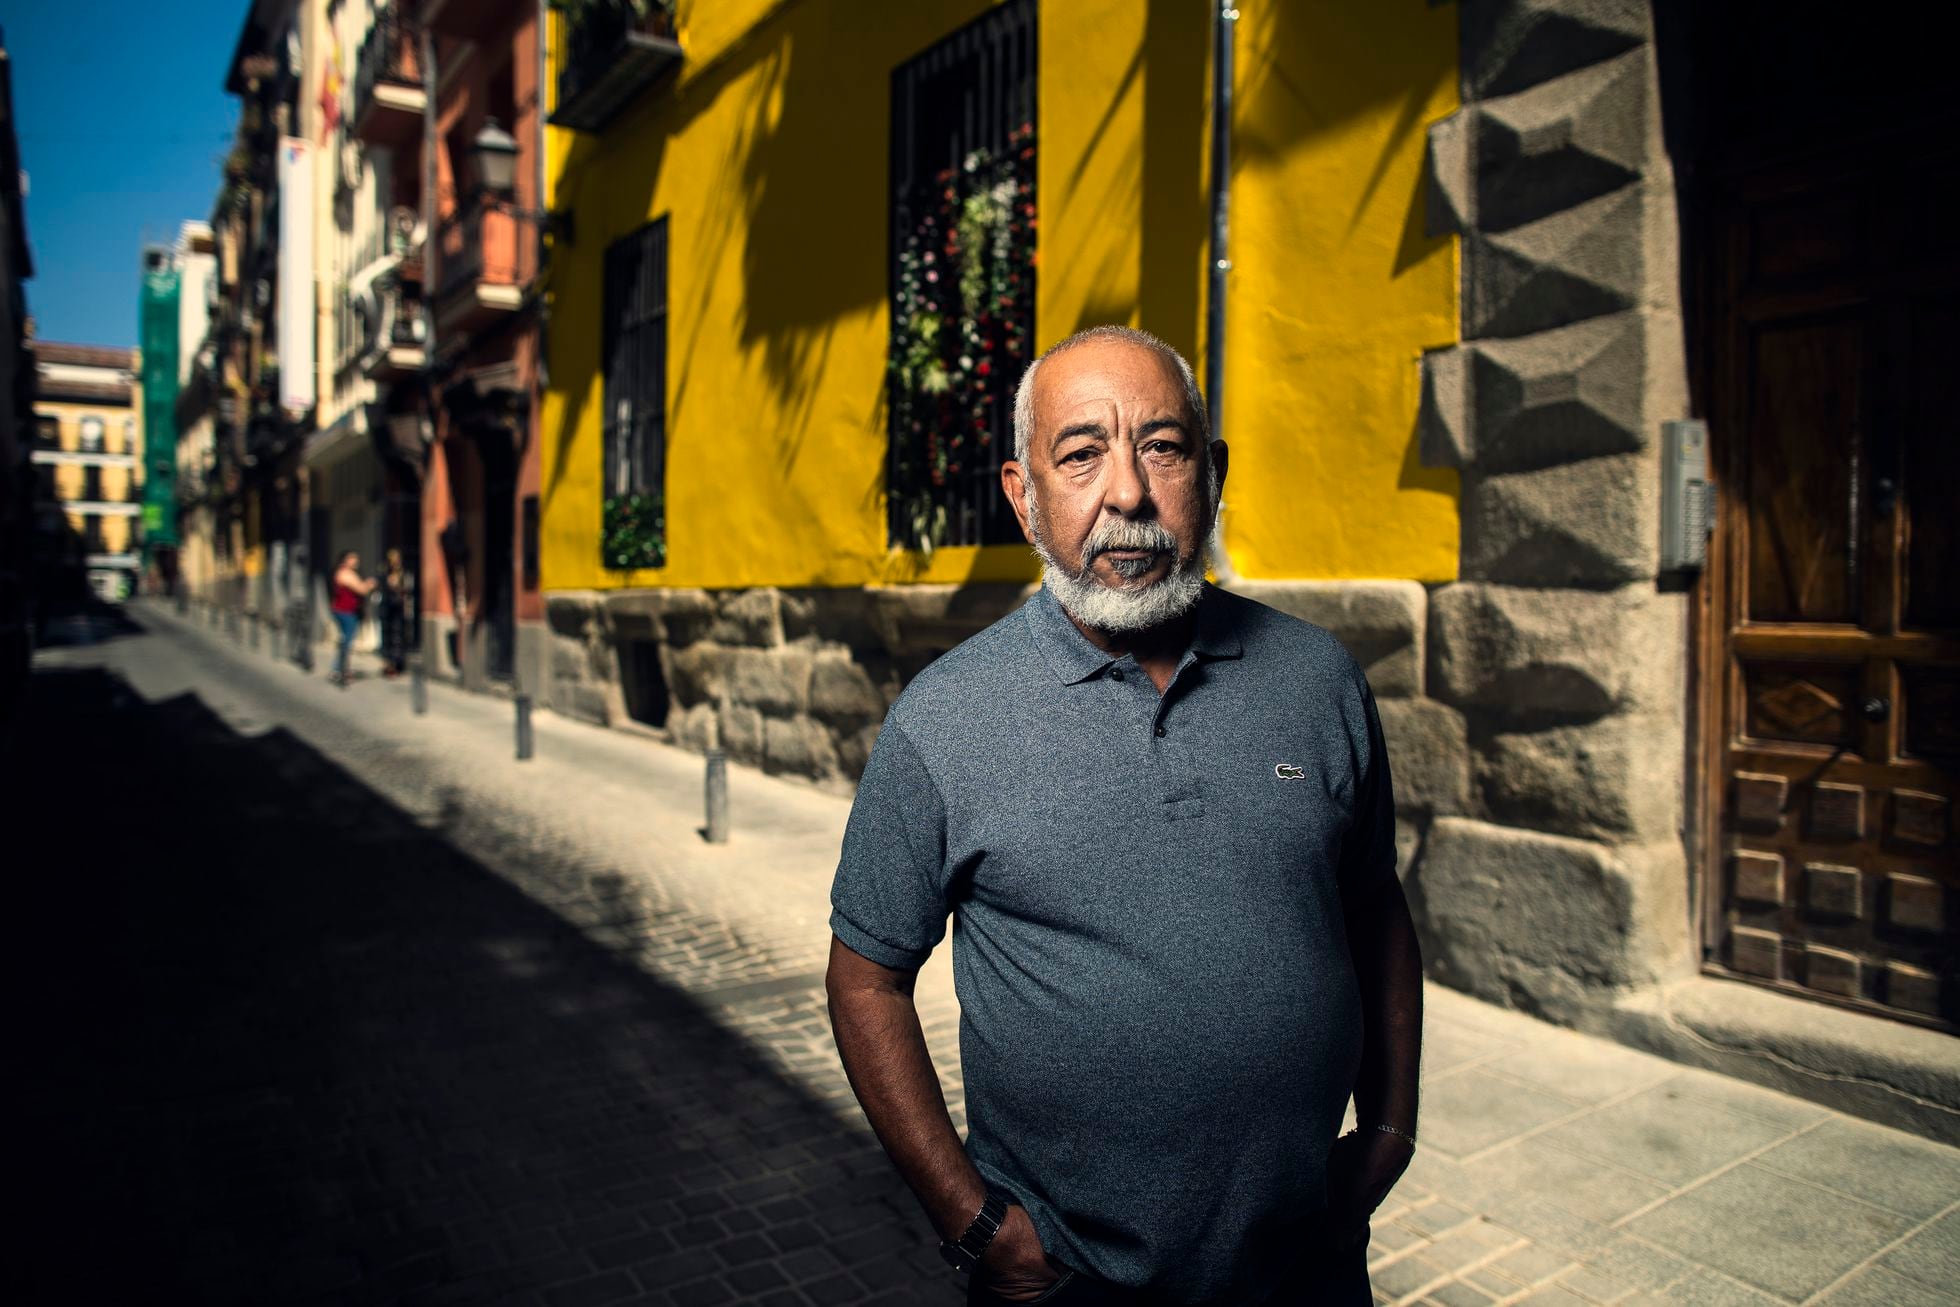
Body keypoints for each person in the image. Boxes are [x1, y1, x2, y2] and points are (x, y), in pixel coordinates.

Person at [827, 326, 1422, 1306]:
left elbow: (1374, 908)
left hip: (1306, 1264)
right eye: (1081, 453)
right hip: (1068, 1282)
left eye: (1162, 445)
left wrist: (1390, 1124)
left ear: (1211, 471)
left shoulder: (1318, 681)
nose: (1130, 495)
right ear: (1023, 493)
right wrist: (973, 1222)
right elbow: (865, 979)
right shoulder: (945, 717)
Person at [329, 551, 377, 687]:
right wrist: (370, 584)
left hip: (343, 610)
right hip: (345, 611)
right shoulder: (346, 573)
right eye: (353, 558)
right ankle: (339, 669)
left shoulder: (344, 572)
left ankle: (339, 668)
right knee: (347, 640)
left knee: (345, 639)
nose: (356, 561)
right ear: (346, 559)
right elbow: (361, 589)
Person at [378, 549, 409, 678]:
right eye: (392, 559)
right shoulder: (384, 572)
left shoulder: (402, 573)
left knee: (397, 636)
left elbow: (404, 591)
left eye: (397, 559)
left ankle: (396, 664)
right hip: (387, 607)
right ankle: (388, 664)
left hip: (397, 608)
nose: (395, 562)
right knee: (387, 636)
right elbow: (383, 587)